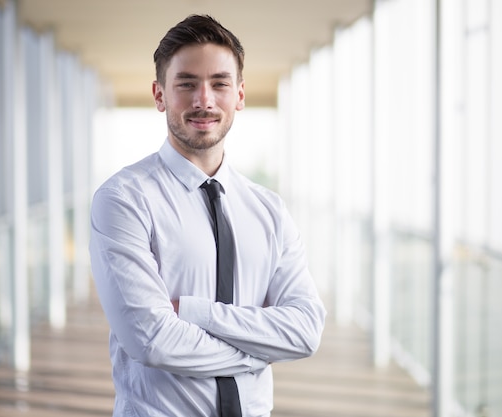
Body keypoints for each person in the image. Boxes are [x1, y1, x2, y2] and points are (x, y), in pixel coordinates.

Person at [89, 14, 326, 417]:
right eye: (186, 84)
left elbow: (305, 331)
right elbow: (152, 340)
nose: (204, 100)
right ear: (160, 94)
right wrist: (256, 355)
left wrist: (196, 313)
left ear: (240, 95)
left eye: (219, 83)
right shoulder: (123, 199)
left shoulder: (269, 210)